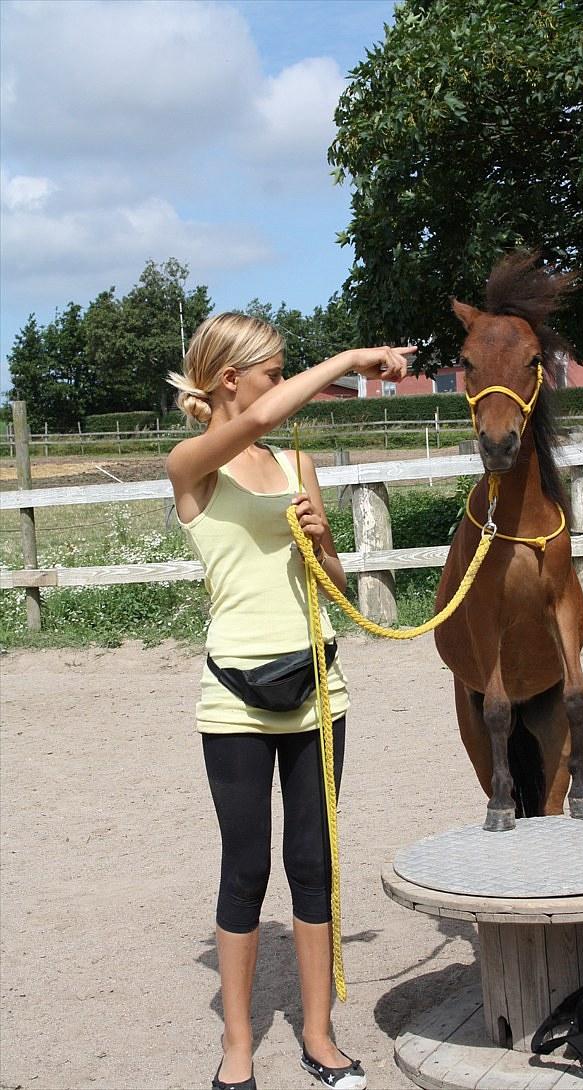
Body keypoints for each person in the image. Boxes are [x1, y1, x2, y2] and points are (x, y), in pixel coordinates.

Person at [165, 313, 414, 1090]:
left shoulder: (296, 461)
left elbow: (335, 586)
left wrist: (324, 537)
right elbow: (255, 422)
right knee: (245, 869)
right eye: (273, 371)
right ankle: (238, 1044)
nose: (280, 384)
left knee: (314, 864)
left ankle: (318, 1035)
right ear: (230, 378)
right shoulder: (192, 465)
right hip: (234, 700)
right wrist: (350, 358)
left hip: (318, 688)